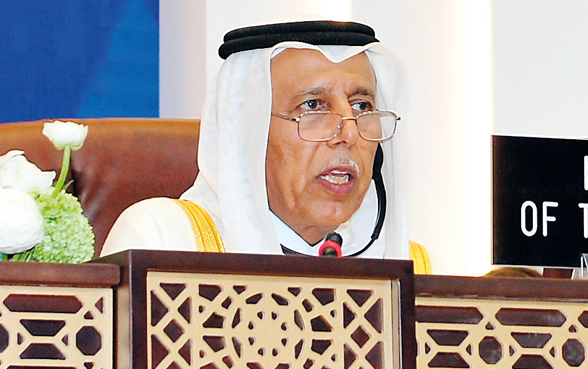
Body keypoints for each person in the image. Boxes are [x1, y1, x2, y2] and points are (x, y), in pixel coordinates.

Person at [101, 20, 431, 273]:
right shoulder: (164, 243)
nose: (348, 133)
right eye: (313, 106)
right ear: (250, 133)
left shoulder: (417, 269)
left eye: (361, 106)